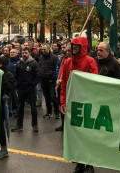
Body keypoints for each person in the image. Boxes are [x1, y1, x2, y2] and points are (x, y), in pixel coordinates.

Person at [58, 36, 98, 173]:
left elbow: (95, 83)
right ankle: (80, 162)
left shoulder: (90, 61)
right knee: (76, 135)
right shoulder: (68, 62)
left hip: (86, 104)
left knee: (88, 135)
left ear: (83, 47)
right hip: (72, 103)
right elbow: (63, 84)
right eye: (72, 46)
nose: (73, 48)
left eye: (76, 46)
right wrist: (62, 102)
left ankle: (90, 163)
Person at [12, 47, 40, 133]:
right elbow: (15, 75)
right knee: (20, 107)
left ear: (29, 53)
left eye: (26, 53)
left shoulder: (34, 63)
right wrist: (17, 84)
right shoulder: (19, 63)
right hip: (21, 89)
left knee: (33, 108)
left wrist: (33, 84)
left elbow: (38, 75)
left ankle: (35, 125)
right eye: (23, 53)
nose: (24, 54)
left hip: (31, 89)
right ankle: (19, 125)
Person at [37, 44, 61, 119]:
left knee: (53, 97)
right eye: (42, 49)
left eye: (44, 49)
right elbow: (40, 67)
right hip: (43, 80)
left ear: (48, 49)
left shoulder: (54, 58)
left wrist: (52, 78)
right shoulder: (41, 57)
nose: (43, 51)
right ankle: (49, 112)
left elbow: (55, 69)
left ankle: (57, 112)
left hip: (51, 81)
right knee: (46, 97)